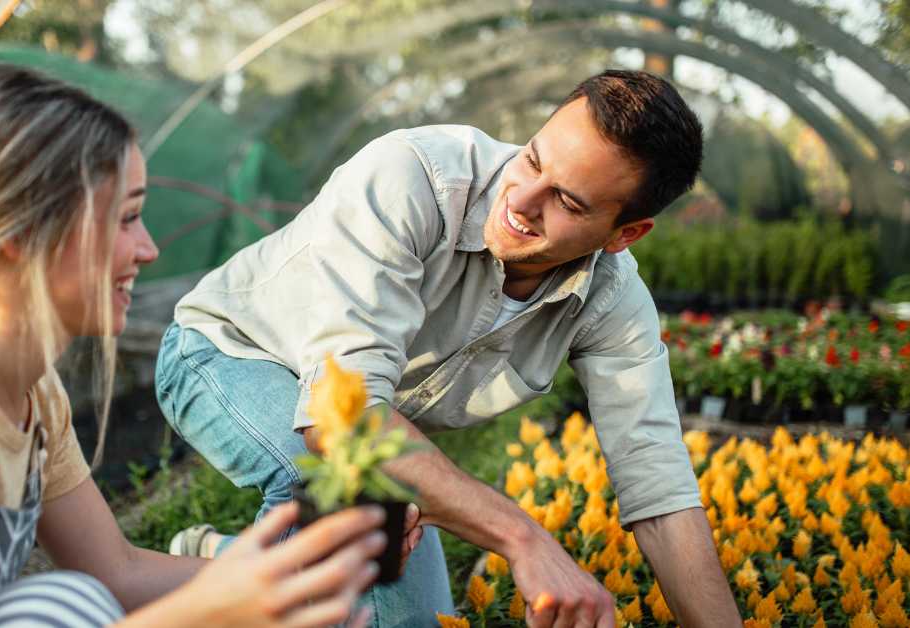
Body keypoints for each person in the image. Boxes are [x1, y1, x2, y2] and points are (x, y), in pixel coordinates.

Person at [0, 64, 388, 628]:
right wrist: (201, 615)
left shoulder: (25, 385)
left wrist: (294, 576)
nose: (149, 250)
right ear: (24, 233)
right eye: (127, 218)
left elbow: (118, 572)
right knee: (59, 611)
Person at [157, 70, 743, 627]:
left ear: (625, 234)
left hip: (379, 437)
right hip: (227, 350)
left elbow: (662, 496)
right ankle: (165, 596)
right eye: (533, 158)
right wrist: (525, 538)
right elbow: (343, 425)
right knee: (323, 481)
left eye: (567, 201)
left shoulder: (612, 301)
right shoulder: (411, 177)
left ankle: (219, 562)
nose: (523, 198)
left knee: (414, 619)